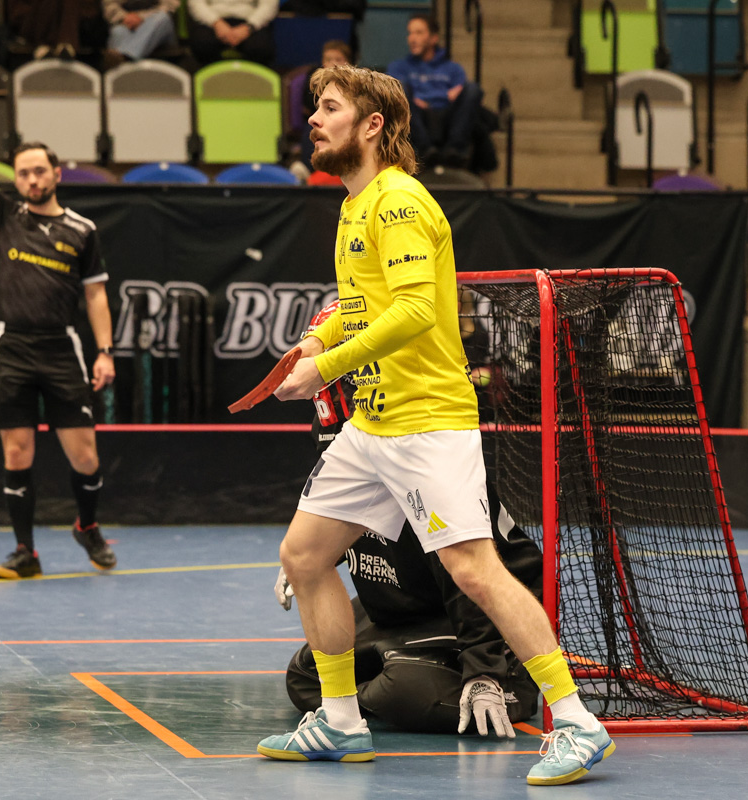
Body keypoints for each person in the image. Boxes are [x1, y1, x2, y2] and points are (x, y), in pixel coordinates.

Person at [255, 62, 614, 786]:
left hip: (426, 423)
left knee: (474, 570)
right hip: (373, 424)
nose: (313, 120)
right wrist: (322, 340)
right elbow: (365, 306)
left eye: (329, 108)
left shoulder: (398, 202)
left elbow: (418, 310)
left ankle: (577, 722)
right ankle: (340, 721)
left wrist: (327, 370)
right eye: (315, 108)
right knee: (305, 557)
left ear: (372, 125)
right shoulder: (354, 206)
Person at [276, 324, 543, 736]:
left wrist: (483, 670)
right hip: (399, 614)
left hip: (468, 619)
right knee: (306, 676)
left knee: (404, 690)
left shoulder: (415, 443)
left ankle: (509, 687)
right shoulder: (341, 434)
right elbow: (352, 517)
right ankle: (355, 707)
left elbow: (469, 578)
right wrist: (312, 554)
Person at [0, 59, 119, 581]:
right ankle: (25, 552)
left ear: (56, 174)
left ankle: (87, 526)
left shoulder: (82, 230)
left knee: (85, 457)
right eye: (22, 173)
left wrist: (104, 352)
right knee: (17, 451)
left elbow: (96, 297)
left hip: (61, 350)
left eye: (39, 171)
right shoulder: (4, 215)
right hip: (13, 349)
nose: (31, 179)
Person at [386, 14, 483, 168]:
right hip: (416, 116)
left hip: (447, 117)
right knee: (400, 89)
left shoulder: (453, 69)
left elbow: (460, 95)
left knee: (473, 89)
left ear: (433, 38)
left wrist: (425, 98)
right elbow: (395, 93)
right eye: (410, 33)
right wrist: (443, 96)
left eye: (419, 33)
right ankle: (425, 150)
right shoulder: (398, 67)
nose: (412, 38)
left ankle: (454, 150)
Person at [298, 40, 353, 173]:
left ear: (349, 62)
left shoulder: (356, 83)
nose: (333, 64)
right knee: (311, 130)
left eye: (338, 59)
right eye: (328, 59)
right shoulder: (313, 79)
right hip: (320, 122)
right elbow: (307, 107)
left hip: (345, 122)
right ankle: (309, 172)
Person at [186, 0, 279, 67]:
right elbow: (196, 3)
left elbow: (269, 6)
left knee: (261, 48)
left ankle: (252, 83)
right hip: (212, 20)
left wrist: (249, 27)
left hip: (249, 20)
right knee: (202, 44)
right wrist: (216, 22)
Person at [102, 0, 180, 66]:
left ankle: (126, 57)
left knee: (162, 18)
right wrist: (124, 17)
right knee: (118, 31)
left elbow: (171, 5)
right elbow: (109, 5)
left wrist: (141, 18)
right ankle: (120, 66)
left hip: (156, 19)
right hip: (126, 20)